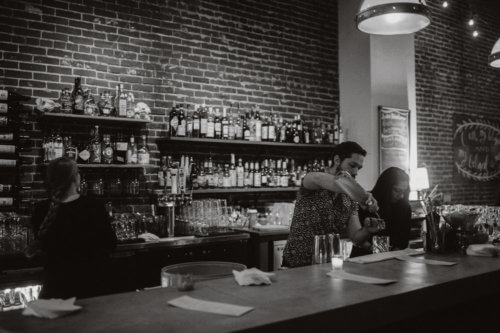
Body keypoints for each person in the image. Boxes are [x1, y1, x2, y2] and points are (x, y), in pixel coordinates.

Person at [27, 157, 117, 299]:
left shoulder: (41, 209)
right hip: (91, 288)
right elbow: (111, 244)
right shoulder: (93, 207)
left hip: (54, 290)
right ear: (76, 178)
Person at [282, 141, 382, 268]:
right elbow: (336, 182)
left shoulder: (350, 197)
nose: (356, 171)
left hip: (327, 263)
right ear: (337, 160)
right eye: (352, 165)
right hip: (298, 262)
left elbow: (355, 237)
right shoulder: (312, 179)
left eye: (359, 168)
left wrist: (367, 230)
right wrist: (365, 196)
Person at [350, 167, 411, 257]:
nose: (401, 196)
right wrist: (373, 248)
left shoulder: (405, 207)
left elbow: (403, 240)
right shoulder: (367, 202)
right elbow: (356, 238)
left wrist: (393, 254)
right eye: (397, 190)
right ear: (385, 187)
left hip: (393, 258)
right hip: (363, 257)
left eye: (404, 191)